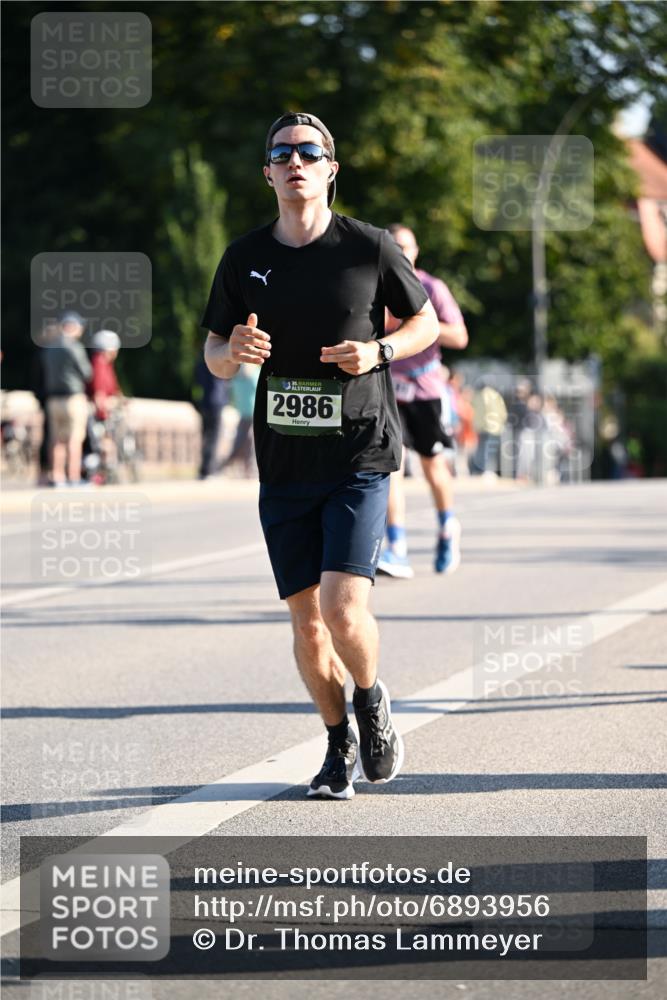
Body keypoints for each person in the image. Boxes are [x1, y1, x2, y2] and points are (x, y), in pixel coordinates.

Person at [202, 111, 438, 800]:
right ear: (268, 172)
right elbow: (213, 351)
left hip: (359, 452)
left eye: (309, 152)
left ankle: (370, 695)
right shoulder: (244, 256)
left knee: (341, 607)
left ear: (331, 169)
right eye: (282, 154)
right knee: (306, 625)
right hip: (284, 463)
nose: (295, 162)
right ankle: (337, 743)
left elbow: (424, 321)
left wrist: (379, 351)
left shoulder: (369, 247)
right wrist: (230, 353)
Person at [376, 224, 468, 578]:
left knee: (432, 466)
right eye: (393, 246)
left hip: (425, 389)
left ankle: (447, 526)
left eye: (406, 246)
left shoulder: (431, 287)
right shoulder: (376, 287)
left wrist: (419, 322)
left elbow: (459, 336)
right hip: (388, 386)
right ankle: (396, 546)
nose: (400, 252)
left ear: (416, 251)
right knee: (391, 466)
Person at [41, 311, 92, 486]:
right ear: (71, 326)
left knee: (56, 440)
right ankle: (74, 476)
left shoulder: (49, 347)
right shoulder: (74, 347)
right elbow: (87, 372)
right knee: (74, 439)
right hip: (72, 398)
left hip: (53, 399)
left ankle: (57, 476)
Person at [220, 363, 260, 477]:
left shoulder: (236, 376)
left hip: (245, 412)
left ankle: (247, 467)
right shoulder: (254, 374)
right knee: (248, 441)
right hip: (251, 412)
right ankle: (247, 468)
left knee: (246, 440)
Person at [194, 353, 229, 479]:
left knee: (206, 437)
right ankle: (209, 469)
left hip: (204, 402)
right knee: (213, 437)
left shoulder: (200, 364)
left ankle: (204, 468)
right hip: (216, 402)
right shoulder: (217, 362)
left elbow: (197, 383)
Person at [470, 378, 508, 477]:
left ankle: (478, 469)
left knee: (481, 449)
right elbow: (502, 413)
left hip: (480, 427)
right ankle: (488, 470)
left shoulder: (477, 396)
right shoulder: (495, 395)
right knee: (490, 450)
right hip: (493, 428)